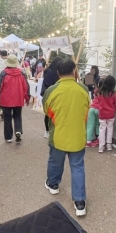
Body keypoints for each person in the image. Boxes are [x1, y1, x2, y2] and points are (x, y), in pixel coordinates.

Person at [42, 59, 90, 217]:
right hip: (78, 135)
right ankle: (80, 202)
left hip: (59, 135)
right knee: (78, 167)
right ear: (74, 71)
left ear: (58, 73)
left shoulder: (52, 90)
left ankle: (53, 185)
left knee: (55, 162)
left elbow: (46, 110)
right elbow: (87, 108)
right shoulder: (83, 89)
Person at [0, 55, 30, 143]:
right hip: (18, 99)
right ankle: (18, 130)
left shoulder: (3, 73)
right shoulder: (21, 73)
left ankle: (8, 137)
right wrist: (27, 98)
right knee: (17, 116)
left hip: (5, 100)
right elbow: (26, 87)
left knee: (7, 118)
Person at [90, 76, 116, 153]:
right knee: (110, 129)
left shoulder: (100, 92)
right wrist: (114, 111)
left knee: (102, 129)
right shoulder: (114, 93)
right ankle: (109, 145)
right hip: (111, 114)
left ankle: (101, 146)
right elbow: (115, 104)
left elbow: (99, 102)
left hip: (102, 114)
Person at [41, 57, 62, 139]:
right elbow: (48, 84)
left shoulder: (56, 72)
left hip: (55, 94)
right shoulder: (50, 72)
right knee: (49, 113)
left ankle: (52, 130)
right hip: (49, 94)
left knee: (53, 113)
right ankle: (47, 130)